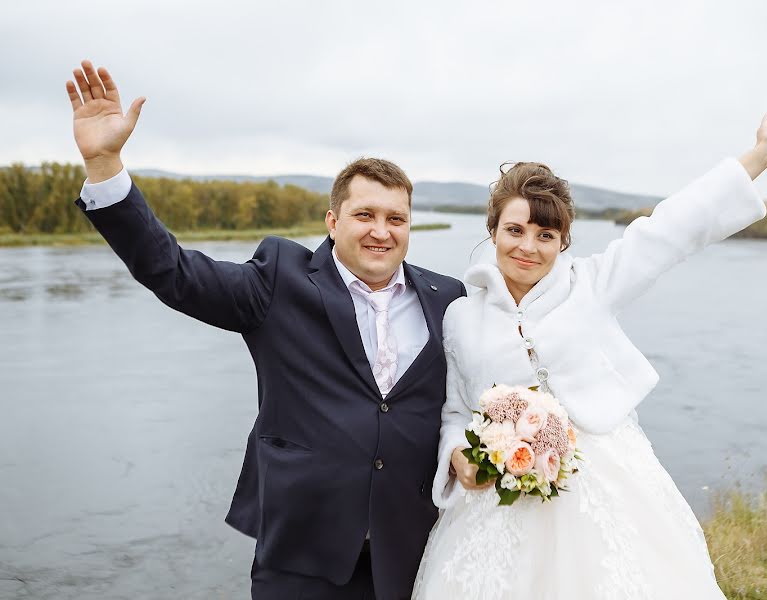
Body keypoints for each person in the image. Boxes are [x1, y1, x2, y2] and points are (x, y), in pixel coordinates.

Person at [65, 59, 466, 600]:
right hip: (300, 556)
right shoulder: (280, 281)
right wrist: (106, 164)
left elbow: (478, 394)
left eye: (396, 219)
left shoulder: (448, 299)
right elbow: (173, 272)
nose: (381, 231)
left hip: (412, 557)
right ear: (333, 221)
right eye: (365, 215)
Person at [413, 112, 767, 598]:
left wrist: (757, 157)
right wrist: (458, 454)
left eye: (546, 236)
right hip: (499, 498)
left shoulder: (590, 285)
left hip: (606, 485)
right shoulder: (460, 317)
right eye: (516, 230)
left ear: (563, 241)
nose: (529, 247)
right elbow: (457, 410)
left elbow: (670, 230)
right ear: (493, 230)